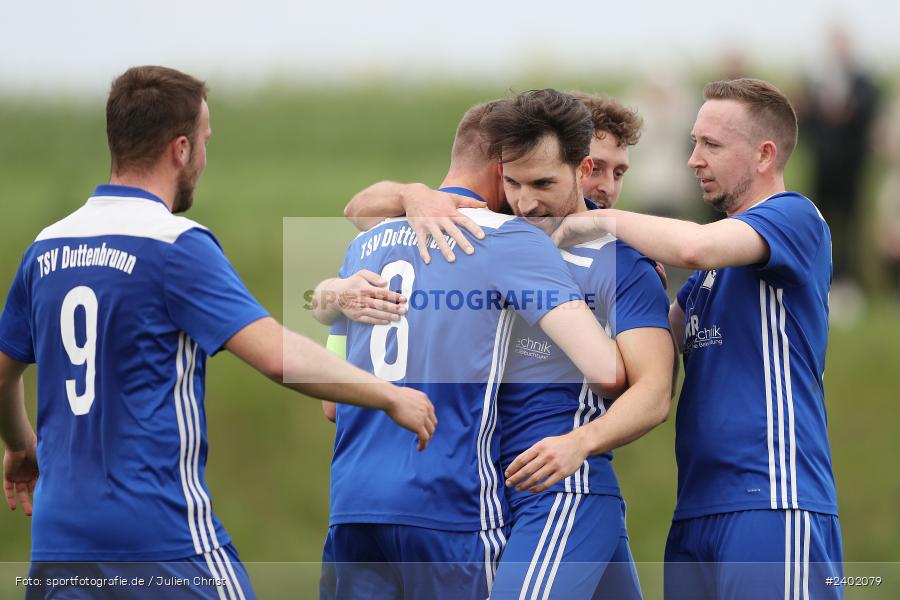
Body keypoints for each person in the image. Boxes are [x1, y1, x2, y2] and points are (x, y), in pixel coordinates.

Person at [0, 65, 435, 600]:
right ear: (180, 149)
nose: (204, 159)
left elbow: (3, 376)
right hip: (160, 540)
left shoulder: (46, 248)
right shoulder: (174, 245)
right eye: (204, 142)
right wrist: (388, 395)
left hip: (57, 546)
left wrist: (21, 447)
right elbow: (277, 355)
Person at [331, 90, 674, 598]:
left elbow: (652, 391)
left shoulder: (619, 261)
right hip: (493, 492)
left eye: (617, 172)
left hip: (560, 487)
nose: (604, 187)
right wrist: (412, 197)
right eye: (516, 181)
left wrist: (579, 442)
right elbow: (360, 209)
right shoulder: (494, 236)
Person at [551, 78, 842, 599]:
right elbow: (640, 357)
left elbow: (696, 246)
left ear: (763, 155)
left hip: (772, 500)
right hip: (697, 512)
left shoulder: (795, 217)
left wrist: (594, 221)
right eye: (693, 143)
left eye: (711, 144)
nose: (693, 159)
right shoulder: (707, 281)